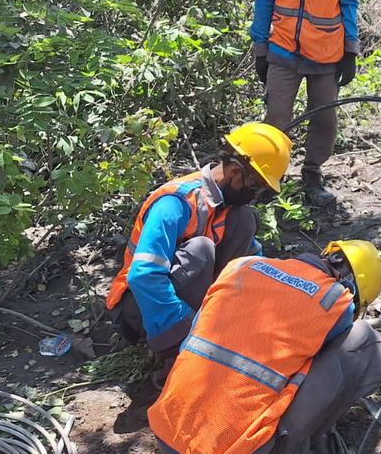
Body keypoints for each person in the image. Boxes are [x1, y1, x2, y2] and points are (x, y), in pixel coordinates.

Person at [148, 239, 381, 454]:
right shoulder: (335, 301)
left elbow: (192, 337)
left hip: (168, 428)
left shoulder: (242, 265)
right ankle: (304, 445)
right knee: (366, 340)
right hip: (233, 447)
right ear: (354, 290)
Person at [105, 122, 291, 355]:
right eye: (256, 186)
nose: (255, 195)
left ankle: (219, 319)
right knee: (201, 250)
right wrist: (189, 330)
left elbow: (252, 262)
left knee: (245, 221)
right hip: (138, 306)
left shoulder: (227, 205)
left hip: (184, 295)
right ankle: (172, 348)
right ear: (234, 172)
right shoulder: (176, 203)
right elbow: (144, 276)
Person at [252, 0, 360, 207]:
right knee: (277, 117)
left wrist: (350, 49)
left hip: (327, 54)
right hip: (283, 50)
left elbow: (348, 3)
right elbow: (264, 0)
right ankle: (271, 177)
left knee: (325, 119)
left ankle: (312, 174)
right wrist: (260, 49)